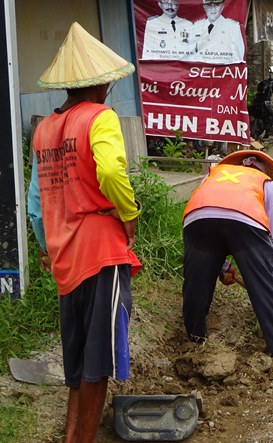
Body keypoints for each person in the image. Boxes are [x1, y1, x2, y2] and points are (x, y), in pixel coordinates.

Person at [27, 22, 141, 442]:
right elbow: (111, 169)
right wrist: (129, 213)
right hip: (101, 255)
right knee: (99, 366)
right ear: (103, 85)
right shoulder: (100, 117)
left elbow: (36, 207)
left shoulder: (42, 130)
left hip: (64, 259)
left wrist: (47, 248)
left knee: (77, 369)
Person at [182, 150, 273, 374]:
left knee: (196, 283)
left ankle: (195, 342)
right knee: (268, 288)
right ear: (262, 169)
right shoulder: (267, 184)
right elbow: (270, 238)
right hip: (245, 222)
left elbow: (213, 214)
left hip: (197, 219)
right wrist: (264, 270)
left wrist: (222, 267)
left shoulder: (213, 174)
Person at [189, 0, 245, 64]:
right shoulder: (197, 26)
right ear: (204, 7)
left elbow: (238, 57)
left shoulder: (232, 26)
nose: (213, 9)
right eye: (209, 5)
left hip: (221, 71)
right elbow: (191, 53)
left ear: (222, 6)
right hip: (201, 70)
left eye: (217, 4)